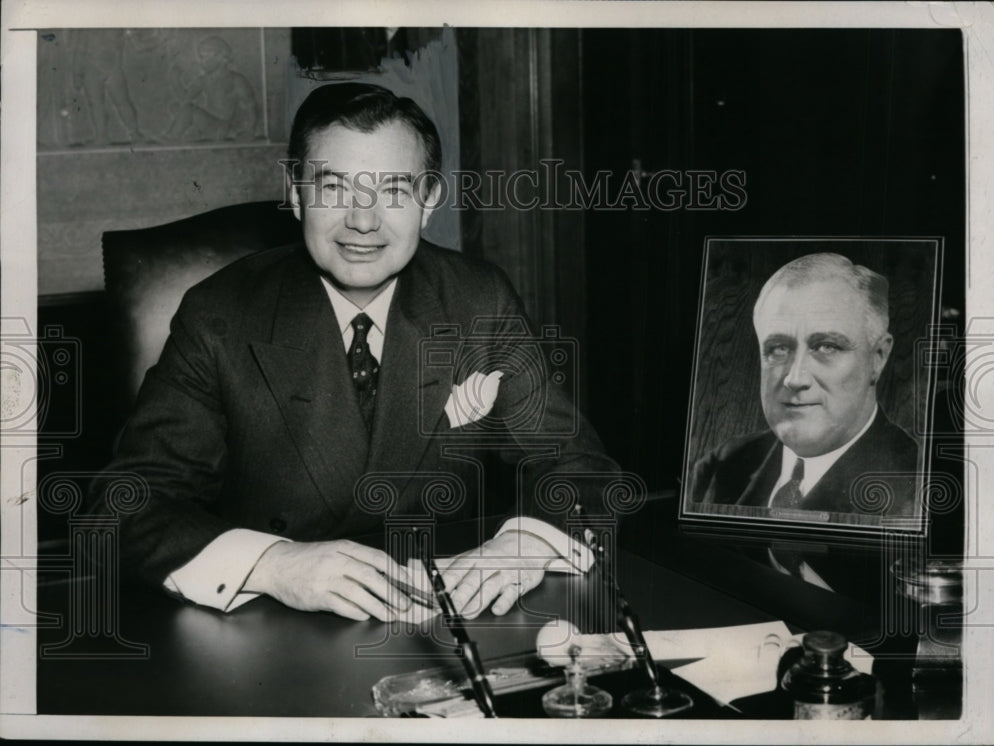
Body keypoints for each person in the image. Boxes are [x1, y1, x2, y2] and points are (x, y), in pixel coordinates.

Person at [87, 83, 618, 622]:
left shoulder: (479, 299)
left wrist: (520, 548)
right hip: (277, 633)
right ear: (295, 193)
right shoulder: (220, 314)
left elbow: (582, 469)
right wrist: (274, 564)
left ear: (429, 199)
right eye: (334, 188)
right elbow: (123, 507)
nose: (363, 221)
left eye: (393, 191)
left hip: (448, 618)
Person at [690, 252, 919, 519]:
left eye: (826, 346)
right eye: (778, 348)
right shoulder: (720, 467)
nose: (795, 378)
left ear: (878, 357)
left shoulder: (918, 482)